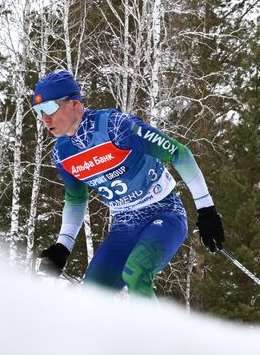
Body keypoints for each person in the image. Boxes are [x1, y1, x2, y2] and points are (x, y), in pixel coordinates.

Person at [31, 69, 225, 298]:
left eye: (50, 108)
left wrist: (206, 209)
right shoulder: (62, 154)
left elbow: (178, 153)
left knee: (137, 272)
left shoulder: (115, 127)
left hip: (164, 213)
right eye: (39, 111)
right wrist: (63, 247)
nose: (45, 118)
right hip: (125, 224)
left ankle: (155, 334)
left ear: (74, 103)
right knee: (90, 296)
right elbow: (76, 199)